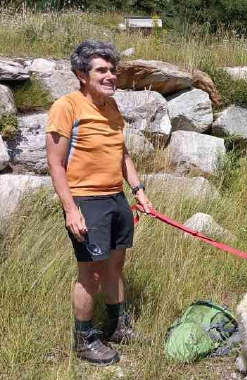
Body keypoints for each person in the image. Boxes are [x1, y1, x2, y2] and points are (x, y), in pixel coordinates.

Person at [45, 41, 153, 366]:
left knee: (116, 265)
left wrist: (138, 190)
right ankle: (84, 340)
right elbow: (54, 163)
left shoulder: (112, 107)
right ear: (82, 74)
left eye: (112, 70)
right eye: (101, 70)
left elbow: (123, 155)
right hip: (86, 202)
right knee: (90, 273)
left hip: (116, 199)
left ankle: (117, 326)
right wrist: (70, 209)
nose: (110, 76)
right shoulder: (67, 107)